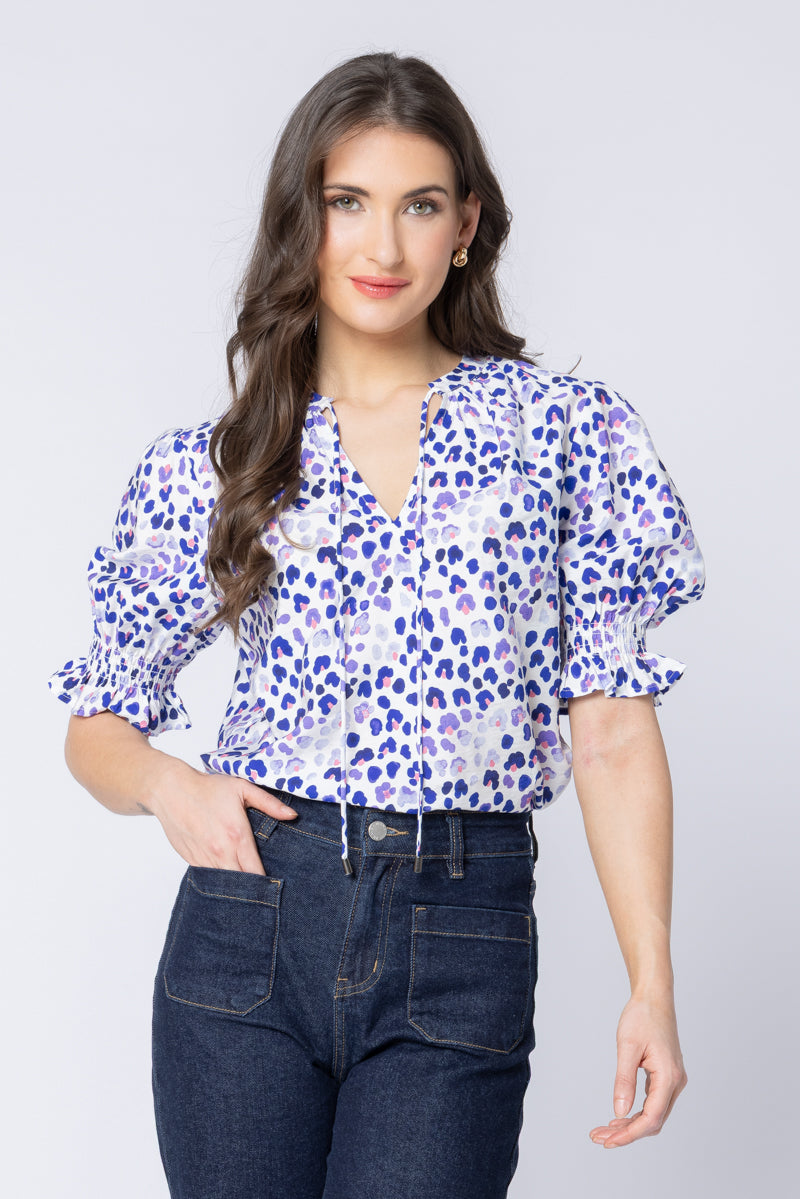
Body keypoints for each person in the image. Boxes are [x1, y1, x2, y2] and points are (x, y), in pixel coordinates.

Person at [48, 50, 706, 1199]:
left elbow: (608, 730)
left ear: (466, 225)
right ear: (301, 219)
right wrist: (169, 785)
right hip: (249, 923)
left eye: (419, 205)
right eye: (347, 202)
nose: (382, 246)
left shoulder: (564, 433)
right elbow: (95, 724)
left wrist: (650, 984)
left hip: (461, 927)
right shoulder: (225, 460)